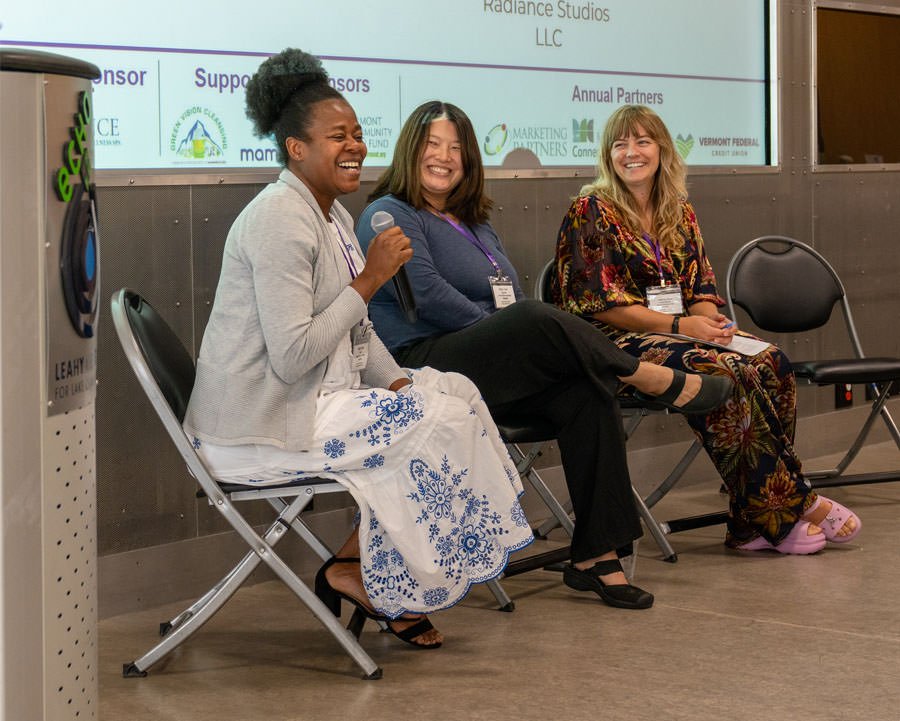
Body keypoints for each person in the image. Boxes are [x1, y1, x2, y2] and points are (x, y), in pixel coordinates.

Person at [181, 51, 537, 650]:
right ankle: (368, 575)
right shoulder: (277, 219)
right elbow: (294, 356)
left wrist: (399, 383)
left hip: (312, 403)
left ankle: (364, 569)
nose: (355, 145)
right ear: (296, 148)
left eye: (358, 133)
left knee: (453, 395)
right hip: (260, 426)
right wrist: (368, 280)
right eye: (337, 136)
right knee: (429, 423)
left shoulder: (334, 216)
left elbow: (358, 335)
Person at [357, 100, 733, 611]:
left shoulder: (473, 222)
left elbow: (504, 287)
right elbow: (424, 293)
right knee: (533, 317)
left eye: (456, 148)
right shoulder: (390, 213)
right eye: (432, 146)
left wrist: (506, 326)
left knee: (585, 391)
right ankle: (646, 375)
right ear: (410, 152)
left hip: (489, 362)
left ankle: (596, 558)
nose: (444, 157)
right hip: (423, 364)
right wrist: (503, 326)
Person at [552, 104, 861, 554]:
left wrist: (708, 321)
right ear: (607, 155)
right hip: (614, 344)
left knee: (770, 361)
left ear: (661, 149)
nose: (631, 152)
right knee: (722, 370)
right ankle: (790, 504)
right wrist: (683, 325)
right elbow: (600, 306)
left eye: (642, 141)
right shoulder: (590, 210)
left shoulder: (678, 208)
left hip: (680, 332)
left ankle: (748, 522)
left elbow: (701, 283)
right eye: (620, 144)